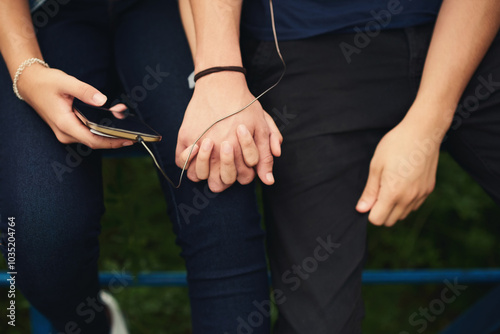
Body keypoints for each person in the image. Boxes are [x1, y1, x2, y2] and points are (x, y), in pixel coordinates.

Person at [176, 0, 500, 332]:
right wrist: (219, 75)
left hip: (469, 36)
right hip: (310, 49)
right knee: (320, 324)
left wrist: (428, 124)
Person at [0, 0, 274, 333]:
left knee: (221, 201)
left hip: (177, 12)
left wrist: (219, 73)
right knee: (38, 231)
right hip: (37, 17)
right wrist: (26, 72)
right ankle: (94, 323)